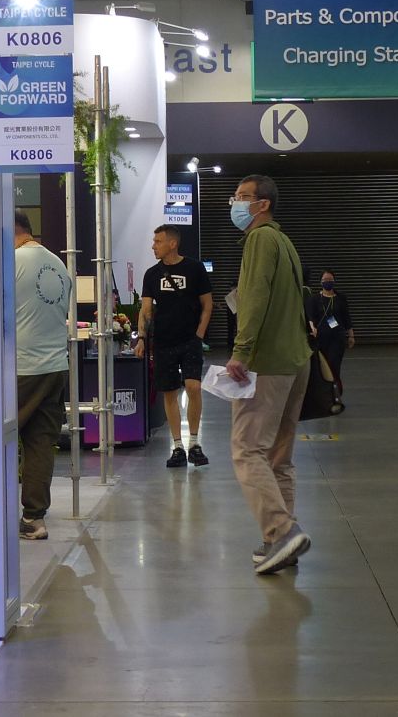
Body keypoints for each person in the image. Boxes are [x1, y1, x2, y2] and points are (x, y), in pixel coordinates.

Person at [0, 212, 71, 542]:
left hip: (20, 369)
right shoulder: (59, 266)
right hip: (54, 368)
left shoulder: (11, 263)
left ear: (11, 232)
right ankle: (34, 520)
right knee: (40, 445)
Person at [222, 174, 312, 575]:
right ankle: (281, 541)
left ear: (262, 205)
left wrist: (241, 352)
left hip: (268, 362)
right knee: (279, 455)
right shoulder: (285, 241)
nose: (235, 204)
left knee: (247, 449)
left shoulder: (260, 239)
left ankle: (281, 529)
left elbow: (254, 297)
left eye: (242, 197)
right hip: (295, 360)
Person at [135, 225, 213, 468]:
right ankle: (178, 445)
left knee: (194, 386)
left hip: (190, 339)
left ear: (172, 243)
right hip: (164, 341)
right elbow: (146, 309)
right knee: (169, 392)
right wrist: (141, 338)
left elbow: (207, 304)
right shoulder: (152, 274)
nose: (153, 245)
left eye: (158, 241)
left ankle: (195, 442)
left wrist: (199, 335)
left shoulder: (195, 268)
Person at [307, 269, 354, 396]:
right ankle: (324, 393)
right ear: (320, 282)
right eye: (325, 280)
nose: (327, 282)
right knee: (322, 367)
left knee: (334, 365)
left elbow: (346, 318)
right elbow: (311, 317)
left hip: (337, 338)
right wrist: (313, 328)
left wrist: (351, 335)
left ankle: (336, 392)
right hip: (321, 338)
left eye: (330, 280)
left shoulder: (341, 299)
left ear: (334, 281)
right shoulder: (314, 299)